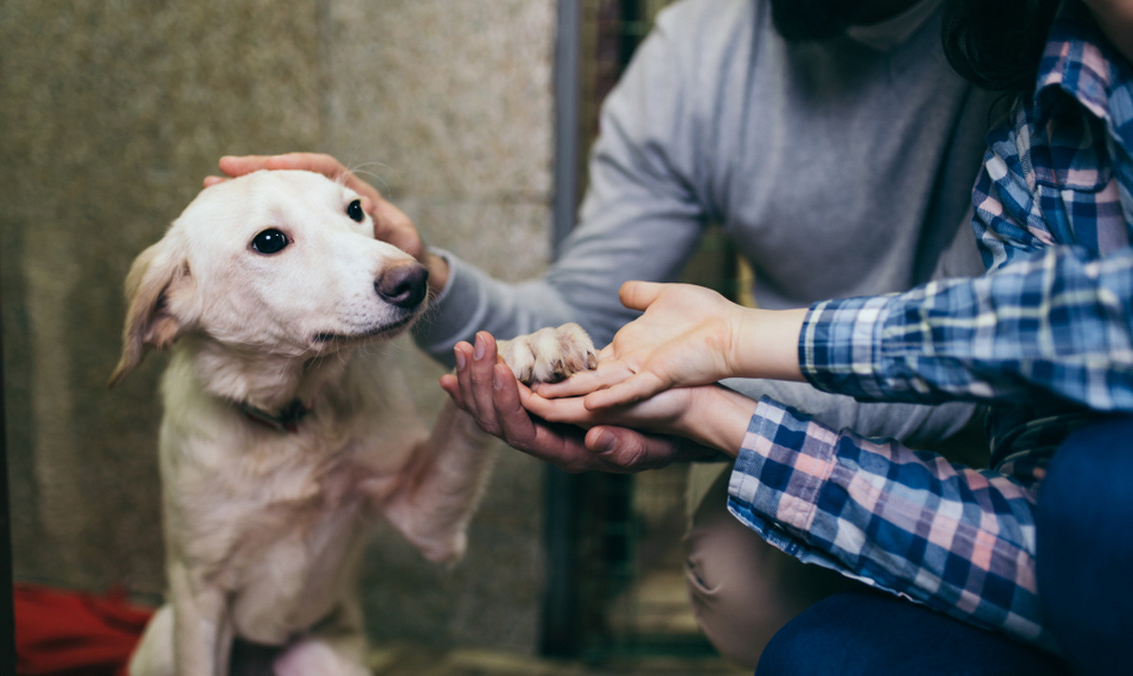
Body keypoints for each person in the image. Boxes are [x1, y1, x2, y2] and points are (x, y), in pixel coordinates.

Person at [211, 0, 1001, 666]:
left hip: (1009, 405)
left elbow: (995, 342)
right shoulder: (699, 50)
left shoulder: (1019, 37)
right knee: (737, 580)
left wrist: (709, 406)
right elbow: (583, 316)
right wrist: (427, 280)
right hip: (798, 396)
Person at [512, 0, 1133, 672]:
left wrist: (738, 342)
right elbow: (1047, 548)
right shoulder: (1041, 126)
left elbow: (1058, 325)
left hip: (965, 421)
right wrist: (708, 412)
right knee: (812, 654)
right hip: (959, 450)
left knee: (1099, 489)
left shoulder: (990, 84)